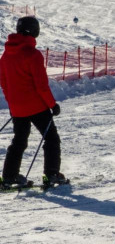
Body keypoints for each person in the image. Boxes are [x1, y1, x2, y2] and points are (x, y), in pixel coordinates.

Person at [0, 17, 67, 188]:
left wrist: (12, 103)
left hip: (17, 108)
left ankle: (9, 176)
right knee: (51, 138)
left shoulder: (6, 55)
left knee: (19, 140)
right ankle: (51, 174)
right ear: (33, 31)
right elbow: (41, 86)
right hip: (37, 106)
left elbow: (4, 83)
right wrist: (52, 105)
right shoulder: (33, 54)